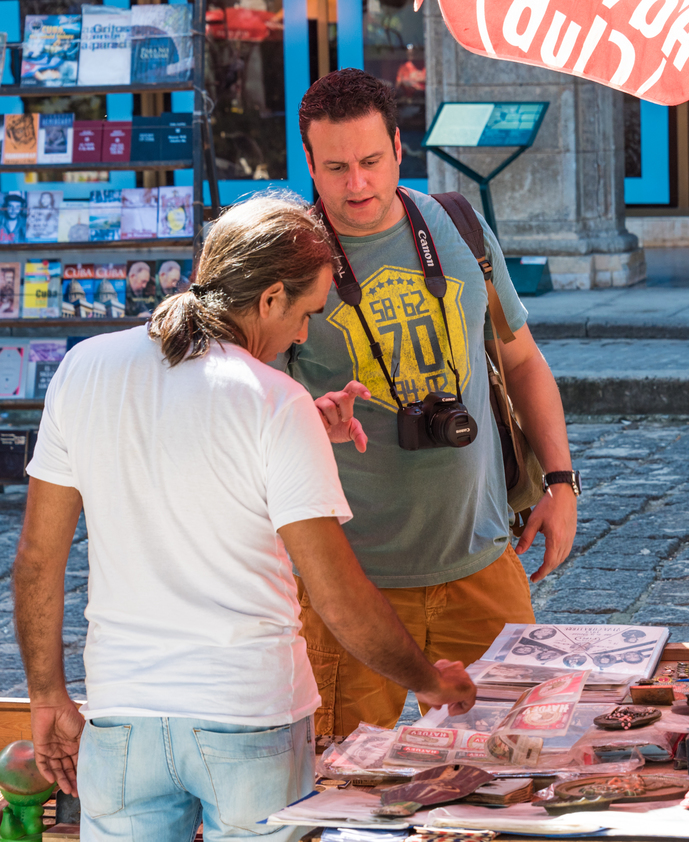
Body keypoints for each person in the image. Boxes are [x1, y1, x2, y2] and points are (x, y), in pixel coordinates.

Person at [13, 194, 476, 842]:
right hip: (249, 719)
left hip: (123, 720)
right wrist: (426, 681)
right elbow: (339, 598)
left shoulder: (84, 369)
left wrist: (47, 695)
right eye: (308, 312)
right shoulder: (274, 404)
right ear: (268, 301)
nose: (306, 334)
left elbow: (37, 559)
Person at [289, 68, 579, 736]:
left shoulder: (457, 226)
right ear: (307, 160)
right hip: (351, 587)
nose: (356, 184)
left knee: (514, 764)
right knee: (346, 795)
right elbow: (247, 413)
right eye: (335, 167)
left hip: (482, 563)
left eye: (370, 161)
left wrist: (561, 482)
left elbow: (523, 359)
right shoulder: (287, 259)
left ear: (398, 146)